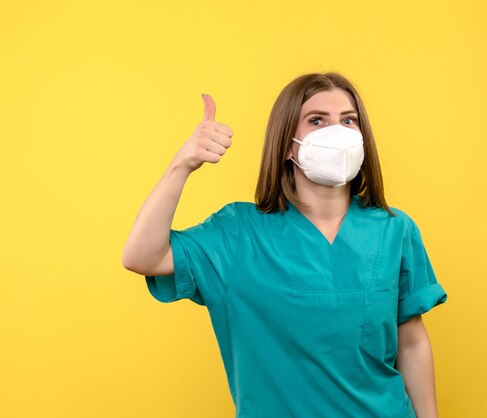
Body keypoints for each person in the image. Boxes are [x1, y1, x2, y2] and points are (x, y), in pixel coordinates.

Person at [122, 72, 448, 418]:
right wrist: (181, 165)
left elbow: (411, 342)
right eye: (316, 120)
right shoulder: (238, 233)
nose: (335, 131)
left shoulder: (394, 230)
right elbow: (143, 256)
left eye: (348, 120)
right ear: (288, 143)